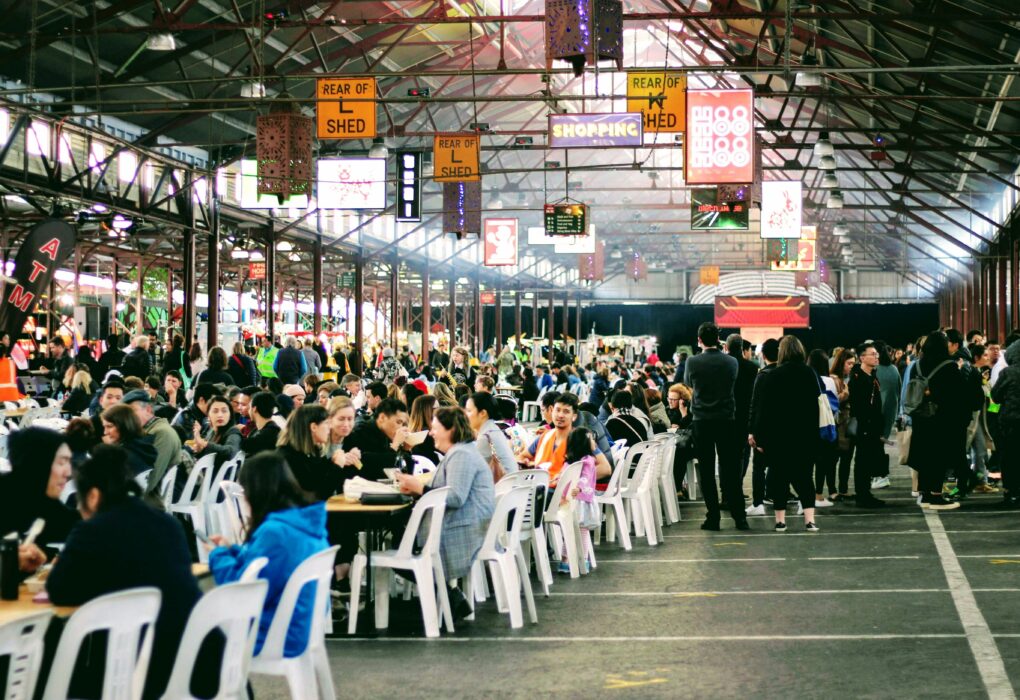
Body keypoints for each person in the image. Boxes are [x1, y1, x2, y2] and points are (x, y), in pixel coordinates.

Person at [45, 445, 201, 700]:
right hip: (197, 656)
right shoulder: (168, 523)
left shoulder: (93, 529)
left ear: (93, 496)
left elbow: (58, 589)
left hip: (141, 670)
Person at [207, 451, 329, 656]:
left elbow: (244, 590)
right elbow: (268, 565)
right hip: (303, 626)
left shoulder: (275, 533)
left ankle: (226, 688)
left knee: (194, 629)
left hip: (275, 633)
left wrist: (218, 555)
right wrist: (233, 550)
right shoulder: (302, 523)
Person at [396, 406, 495, 621]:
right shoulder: (462, 452)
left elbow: (455, 496)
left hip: (462, 531)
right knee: (402, 542)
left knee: (399, 552)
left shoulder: (461, 454)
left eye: (434, 428)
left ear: (450, 430)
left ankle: (447, 594)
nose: (431, 433)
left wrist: (419, 489)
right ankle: (448, 594)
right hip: (467, 525)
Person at [751, 336, 821, 532]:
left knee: (779, 478)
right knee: (805, 478)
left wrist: (760, 437)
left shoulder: (773, 375)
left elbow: (764, 410)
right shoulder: (809, 373)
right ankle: (809, 520)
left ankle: (780, 521)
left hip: (778, 436)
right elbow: (817, 405)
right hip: (805, 435)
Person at [684, 322, 748, 531]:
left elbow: (689, 384)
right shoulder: (731, 362)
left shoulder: (692, 362)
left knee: (707, 471)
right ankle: (740, 517)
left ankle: (713, 518)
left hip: (701, 421)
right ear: (718, 340)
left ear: (699, 340)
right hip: (726, 420)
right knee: (730, 470)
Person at [0, 427, 78, 566]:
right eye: (61, 462)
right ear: (39, 463)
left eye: (68, 462)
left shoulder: (43, 501)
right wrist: (7, 560)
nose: (68, 472)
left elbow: (77, 527)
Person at [912, 332, 972, 510]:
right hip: (942, 419)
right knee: (938, 456)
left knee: (924, 456)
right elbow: (957, 397)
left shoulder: (918, 365)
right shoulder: (949, 366)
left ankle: (925, 495)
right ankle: (937, 496)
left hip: (921, 417)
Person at [519, 392, 610, 484]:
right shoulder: (544, 436)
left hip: (562, 493)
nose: (560, 415)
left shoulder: (581, 439)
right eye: (557, 410)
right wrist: (526, 462)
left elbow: (605, 469)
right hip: (539, 487)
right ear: (552, 411)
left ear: (574, 417)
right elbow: (522, 456)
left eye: (566, 411)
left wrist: (570, 480)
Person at [277, 403, 360, 501]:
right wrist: (337, 466)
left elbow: (320, 477)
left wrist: (334, 461)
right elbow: (318, 495)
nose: (330, 428)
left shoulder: (312, 452)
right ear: (313, 427)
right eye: (326, 423)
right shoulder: (288, 456)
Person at [123, 389, 182, 504]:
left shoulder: (162, 433)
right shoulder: (146, 431)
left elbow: (150, 481)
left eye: (132, 411)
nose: (128, 417)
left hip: (152, 500)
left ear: (149, 410)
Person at [848, 342, 886, 507]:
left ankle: (865, 493)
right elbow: (857, 405)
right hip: (864, 426)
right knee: (862, 460)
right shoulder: (857, 378)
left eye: (877, 354)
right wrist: (867, 423)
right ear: (862, 357)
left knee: (868, 459)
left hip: (873, 426)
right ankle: (862, 495)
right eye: (872, 354)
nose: (876, 356)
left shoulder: (872, 375)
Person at [561, 426, 601, 571]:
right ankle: (583, 560)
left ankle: (565, 561)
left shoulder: (568, 461)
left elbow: (563, 479)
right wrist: (579, 487)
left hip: (568, 501)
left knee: (569, 531)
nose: (594, 442)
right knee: (583, 530)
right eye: (591, 439)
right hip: (582, 500)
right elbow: (585, 477)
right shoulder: (589, 460)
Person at [342, 398, 412, 480]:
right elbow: (368, 469)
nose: (401, 427)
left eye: (403, 424)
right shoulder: (360, 432)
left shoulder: (387, 433)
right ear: (382, 418)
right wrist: (394, 446)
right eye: (398, 422)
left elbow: (405, 469)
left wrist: (406, 449)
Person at [727, 333, 759, 479]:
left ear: (726, 347)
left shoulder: (724, 365)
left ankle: (726, 490)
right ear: (742, 348)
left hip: (726, 414)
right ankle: (737, 487)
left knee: (725, 455)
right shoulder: (752, 367)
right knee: (743, 453)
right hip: (745, 414)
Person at [809, 349, 838, 506]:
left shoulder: (805, 377)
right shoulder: (829, 381)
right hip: (824, 425)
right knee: (822, 461)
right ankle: (819, 495)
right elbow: (833, 405)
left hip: (808, 425)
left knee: (807, 463)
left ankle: (805, 497)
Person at [465, 391, 518, 478]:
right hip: (512, 483)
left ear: (483, 413)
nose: (466, 415)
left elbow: (475, 470)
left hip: (502, 486)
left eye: (469, 411)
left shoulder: (486, 435)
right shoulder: (493, 429)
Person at [830, 347, 857, 502]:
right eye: (849, 363)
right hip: (837, 423)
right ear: (841, 363)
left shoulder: (850, 378)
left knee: (847, 457)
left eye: (854, 363)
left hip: (847, 423)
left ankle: (843, 489)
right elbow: (830, 401)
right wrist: (845, 395)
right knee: (834, 458)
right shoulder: (833, 378)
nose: (851, 366)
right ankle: (833, 490)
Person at [101, 403, 159, 476]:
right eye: (104, 427)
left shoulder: (121, 459)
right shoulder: (143, 447)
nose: (105, 432)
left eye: (109, 426)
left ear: (124, 425)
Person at [189, 394, 242, 466]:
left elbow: (230, 452)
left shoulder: (233, 432)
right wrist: (199, 449)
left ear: (230, 416)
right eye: (215, 411)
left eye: (224, 411)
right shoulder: (212, 431)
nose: (220, 415)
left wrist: (204, 444)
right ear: (208, 416)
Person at [242, 391, 285, 455]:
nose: (249, 410)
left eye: (249, 407)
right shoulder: (258, 430)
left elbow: (249, 445)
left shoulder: (270, 432)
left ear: (254, 409)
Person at [325, 395, 361, 460]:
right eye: (341, 419)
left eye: (350, 419)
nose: (346, 424)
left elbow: (361, 467)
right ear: (329, 419)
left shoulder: (355, 439)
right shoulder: (319, 440)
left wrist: (357, 460)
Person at [408, 394, 441, 463]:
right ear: (427, 411)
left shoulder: (413, 433)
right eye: (436, 408)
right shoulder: (429, 436)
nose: (440, 410)